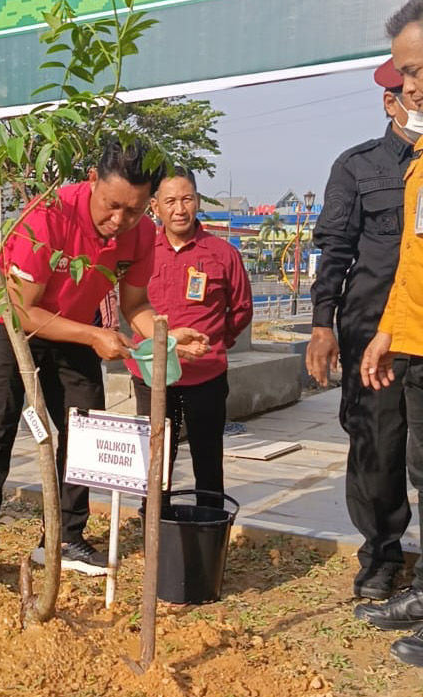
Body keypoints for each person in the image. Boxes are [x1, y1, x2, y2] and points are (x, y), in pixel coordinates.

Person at [0, 141, 210, 587]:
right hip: (4, 321)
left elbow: (135, 305)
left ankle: (66, 537)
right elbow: (21, 311)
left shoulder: (142, 234)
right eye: (112, 206)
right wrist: (93, 335)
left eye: (134, 210)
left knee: (84, 424)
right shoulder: (48, 215)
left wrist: (164, 333)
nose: (119, 221)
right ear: (92, 179)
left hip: (70, 325)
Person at [306, 59, 416, 600]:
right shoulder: (358, 167)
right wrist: (322, 325)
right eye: (406, 91)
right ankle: (381, 553)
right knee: (377, 443)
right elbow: (335, 251)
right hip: (371, 333)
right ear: (388, 100)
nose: (416, 99)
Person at [356, 0, 423, 668]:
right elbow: (416, 262)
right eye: (405, 74)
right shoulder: (419, 158)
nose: (408, 86)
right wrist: (387, 333)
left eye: (417, 70)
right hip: (414, 340)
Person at [124, 167, 252, 509]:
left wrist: (215, 340)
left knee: (207, 454)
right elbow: (128, 306)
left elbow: (240, 311)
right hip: (152, 374)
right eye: (170, 201)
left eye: (187, 199)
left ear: (197, 201)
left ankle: (208, 523)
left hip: (205, 373)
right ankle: (153, 519)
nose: (179, 209)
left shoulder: (223, 254)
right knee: (156, 454)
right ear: (155, 206)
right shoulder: (139, 249)